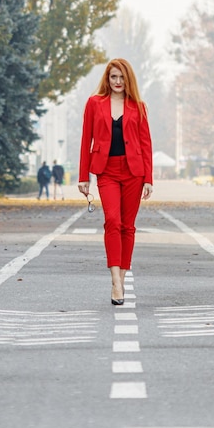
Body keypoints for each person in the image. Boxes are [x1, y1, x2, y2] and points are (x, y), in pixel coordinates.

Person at [78, 58, 153, 305]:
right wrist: (83, 177)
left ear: (128, 79)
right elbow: (85, 140)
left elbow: (145, 144)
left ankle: (121, 276)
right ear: (107, 79)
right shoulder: (94, 103)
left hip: (134, 172)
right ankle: (115, 281)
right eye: (113, 77)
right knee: (112, 221)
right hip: (106, 170)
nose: (118, 82)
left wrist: (148, 179)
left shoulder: (139, 106)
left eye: (122, 77)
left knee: (128, 226)